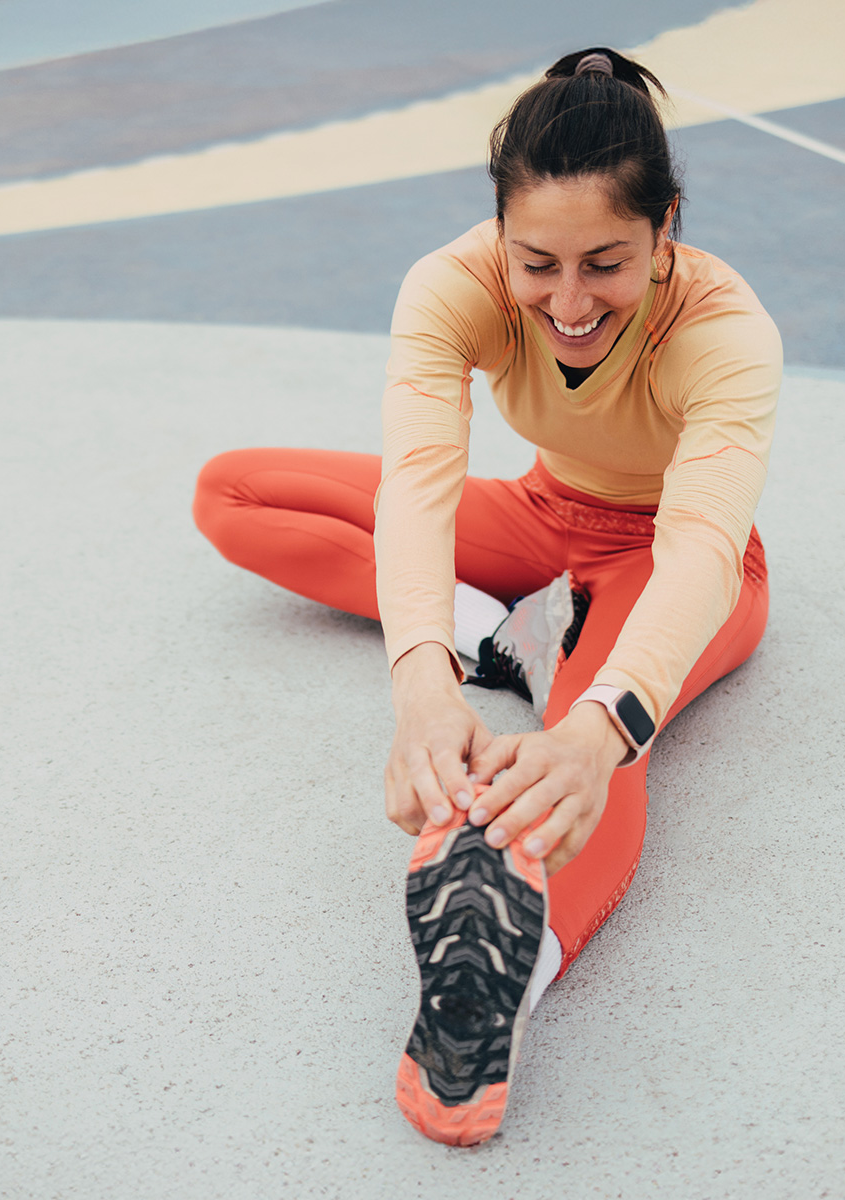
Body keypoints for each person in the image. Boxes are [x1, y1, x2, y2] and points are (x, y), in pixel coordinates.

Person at [192, 47, 780, 1146]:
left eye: (605, 262)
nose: (566, 302)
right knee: (235, 494)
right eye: (536, 263)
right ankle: (505, 641)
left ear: (667, 231)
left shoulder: (727, 331)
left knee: (584, 755)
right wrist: (424, 683)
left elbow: (702, 544)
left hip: (675, 564)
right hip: (544, 513)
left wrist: (601, 730)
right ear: (499, 235)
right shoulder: (452, 284)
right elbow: (418, 484)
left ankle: (501, 982)